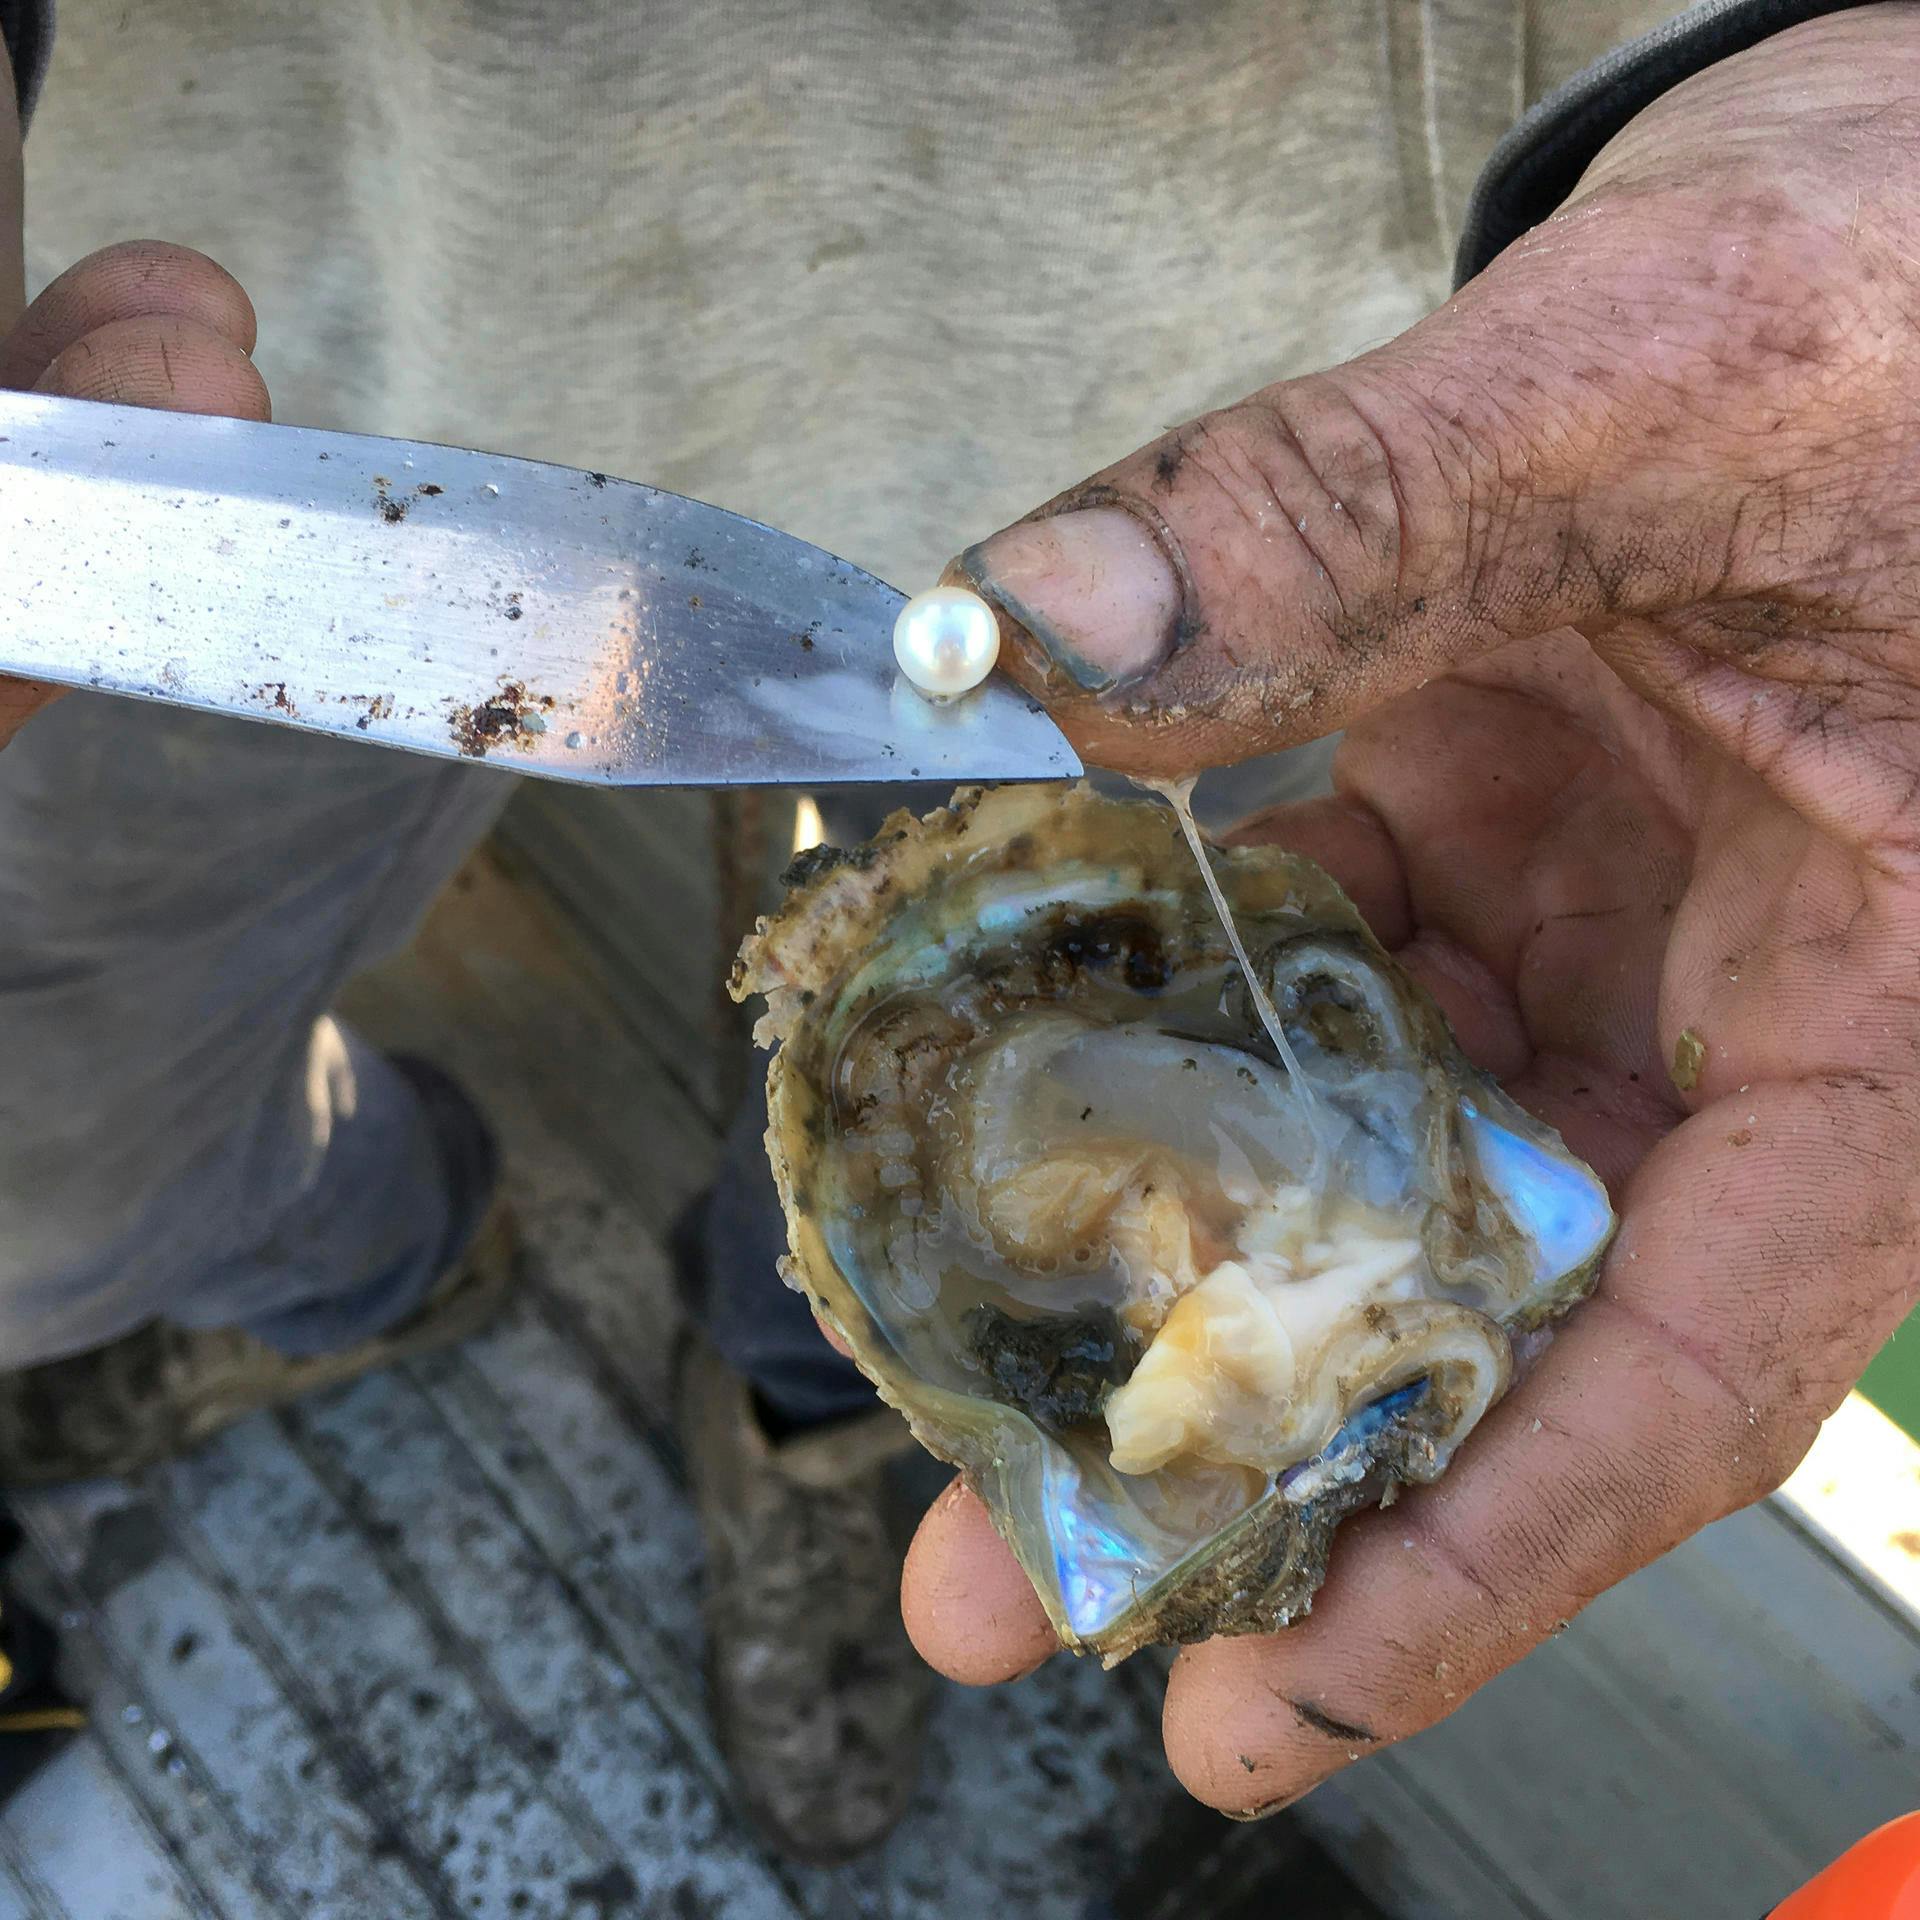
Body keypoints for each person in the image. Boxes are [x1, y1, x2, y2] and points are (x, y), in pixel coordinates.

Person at [0, 0, 1912, 1862]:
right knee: (54, 1156)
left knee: (904, 1135)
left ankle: (805, 1412)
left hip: (1198, 433)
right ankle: (371, 1253)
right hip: (277, 466)